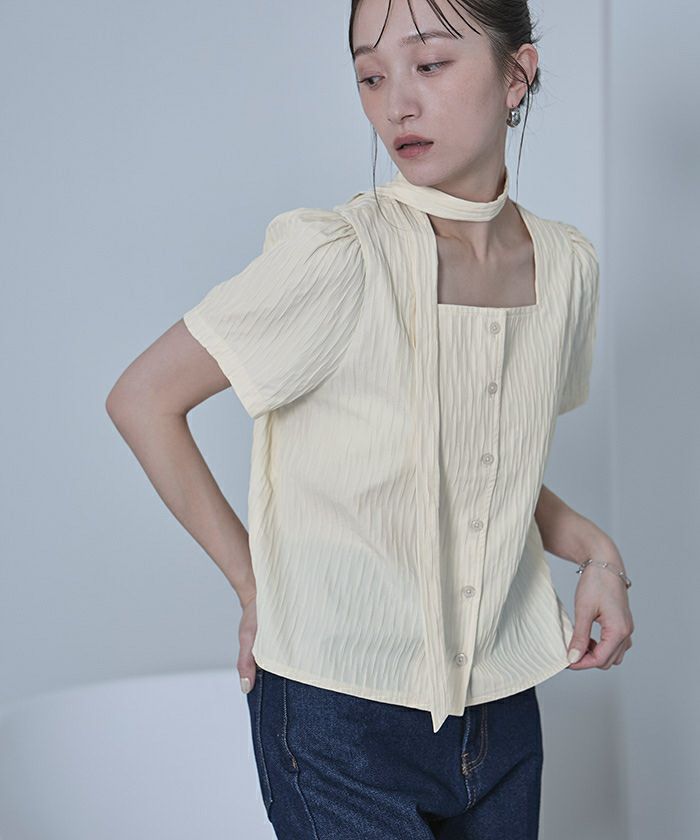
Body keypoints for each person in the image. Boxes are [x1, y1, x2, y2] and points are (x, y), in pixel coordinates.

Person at [106, 0, 635, 837]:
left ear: (517, 75)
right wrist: (256, 586)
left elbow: (488, 463)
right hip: (336, 717)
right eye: (370, 76)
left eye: (430, 64)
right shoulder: (338, 259)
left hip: (503, 708)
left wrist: (598, 555)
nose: (398, 104)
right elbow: (142, 399)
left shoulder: (566, 268)